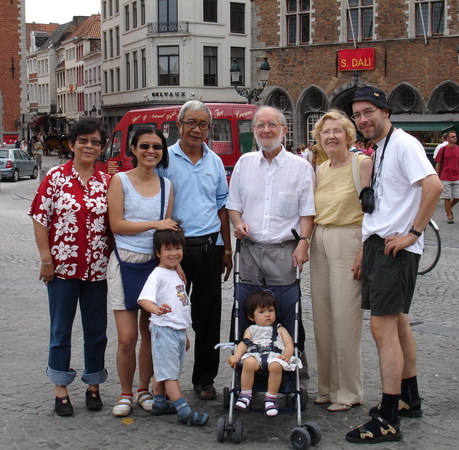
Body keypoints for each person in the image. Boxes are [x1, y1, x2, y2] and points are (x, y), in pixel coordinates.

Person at [345, 86, 443, 444]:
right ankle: (408, 398)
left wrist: (412, 233)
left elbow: (434, 186)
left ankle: (387, 419)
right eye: (357, 115)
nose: (362, 120)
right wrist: (365, 246)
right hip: (379, 245)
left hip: (395, 249)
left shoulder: (403, 143)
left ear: (385, 111)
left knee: (382, 329)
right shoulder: (382, 148)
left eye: (368, 111)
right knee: (398, 322)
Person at [227, 105, 315, 391]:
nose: (266, 130)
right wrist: (237, 223)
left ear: (284, 130)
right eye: (260, 125)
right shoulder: (244, 163)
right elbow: (233, 206)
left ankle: (289, 376)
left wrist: (303, 243)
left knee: (286, 311)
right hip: (250, 251)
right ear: (254, 131)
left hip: (282, 250)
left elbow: (307, 212)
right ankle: (246, 375)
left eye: (272, 125)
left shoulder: (300, 167)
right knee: (249, 311)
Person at [28, 117, 111, 417]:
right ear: (72, 144)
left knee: (96, 331)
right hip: (62, 269)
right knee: (61, 329)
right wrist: (46, 260)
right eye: (83, 140)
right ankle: (61, 389)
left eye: (95, 142)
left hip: (97, 269)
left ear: (101, 147)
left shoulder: (107, 182)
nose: (89, 146)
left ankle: (93, 385)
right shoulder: (55, 177)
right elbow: (40, 218)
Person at [157, 100, 233, 401]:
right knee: (168, 316)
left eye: (203, 124)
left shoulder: (214, 161)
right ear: (179, 126)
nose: (197, 129)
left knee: (208, 318)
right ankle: (163, 381)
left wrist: (227, 249)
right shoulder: (165, 159)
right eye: (191, 123)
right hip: (176, 249)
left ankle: (204, 379)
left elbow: (222, 208)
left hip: (210, 247)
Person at [107, 126, 178, 417]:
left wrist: (178, 268)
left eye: (157, 147)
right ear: (134, 149)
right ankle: (124, 393)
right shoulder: (119, 180)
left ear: (162, 152)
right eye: (145, 146)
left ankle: (143, 390)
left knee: (151, 334)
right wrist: (154, 224)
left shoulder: (167, 186)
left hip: (156, 267)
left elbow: (169, 234)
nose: (151, 151)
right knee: (127, 338)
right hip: (124, 262)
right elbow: (117, 225)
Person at [310, 110, 373, 412]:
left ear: (349, 135)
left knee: (346, 319)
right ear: (319, 138)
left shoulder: (361, 163)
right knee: (322, 318)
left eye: (337, 130)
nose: (331, 136)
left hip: (349, 240)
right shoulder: (320, 168)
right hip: (320, 241)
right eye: (325, 132)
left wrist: (364, 250)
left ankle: (348, 391)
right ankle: (326, 387)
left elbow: (375, 212)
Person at [138, 228, 209, 426]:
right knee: (170, 375)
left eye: (177, 248)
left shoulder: (176, 273)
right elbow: (144, 299)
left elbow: (180, 307)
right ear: (158, 253)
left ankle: (159, 403)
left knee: (165, 369)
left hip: (176, 330)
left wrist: (184, 333)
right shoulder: (158, 275)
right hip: (164, 330)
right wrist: (156, 309)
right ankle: (184, 411)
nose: (173, 253)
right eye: (167, 249)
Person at [227, 290, 302, 417]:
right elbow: (243, 344)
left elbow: (290, 344)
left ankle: (271, 398)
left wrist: (287, 355)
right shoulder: (251, 329)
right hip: (255, 355)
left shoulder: (280, 329)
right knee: (249, 363)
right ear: (251, 317)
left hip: (275, 356)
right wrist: (236, 356)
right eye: (262, 312)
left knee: (276, 366)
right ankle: (245, 395)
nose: (267, 315)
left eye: (270, 311)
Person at [435, 130, 459, 224]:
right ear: (447, 139)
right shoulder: (443, 149)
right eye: (452, 137)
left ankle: (449, 208)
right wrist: (437, 176)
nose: (455, 138)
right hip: (445, 176)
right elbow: (438, 164)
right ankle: (449, 215)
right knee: (447, 197)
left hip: (457, 176)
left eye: (455, 136)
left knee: (458, 196)